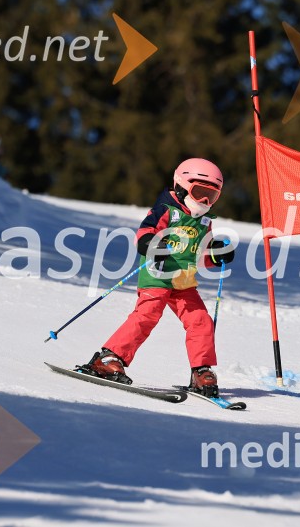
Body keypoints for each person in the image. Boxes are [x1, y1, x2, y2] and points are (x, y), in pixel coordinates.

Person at [78, 158, 235, 397]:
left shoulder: (204, 222)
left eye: (211, 196)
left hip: (184, 282)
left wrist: (216, 256)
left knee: (201, 321)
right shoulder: (165, 209)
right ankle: (108, 358)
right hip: (158, 276)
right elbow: (143, 233)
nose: (204, 201)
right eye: (200, 193)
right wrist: (152, 246)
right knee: (147, 315)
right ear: (182, 186)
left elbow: (198, 256)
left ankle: (201, 371)